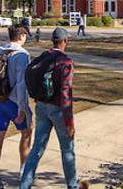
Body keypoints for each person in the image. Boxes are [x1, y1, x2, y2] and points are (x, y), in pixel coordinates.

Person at [20, 28, 84, 189]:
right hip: (58, 110)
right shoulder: (65, 61)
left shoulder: (43, 57)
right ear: (65, 41)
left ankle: (24, 184)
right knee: (67, 150)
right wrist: (69, 122)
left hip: (41, 106)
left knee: (37, 148)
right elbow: (65, 93)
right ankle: (73, 185)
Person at [0, 26, 33, 189]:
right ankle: (24, 172)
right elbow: (21, 83)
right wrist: (22, 107)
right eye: (25, 35)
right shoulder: (22, 54)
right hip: (14, 101)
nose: (26, 37)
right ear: (21, 35)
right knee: (26, 132)